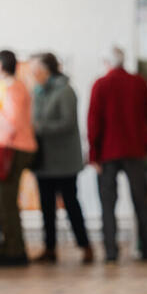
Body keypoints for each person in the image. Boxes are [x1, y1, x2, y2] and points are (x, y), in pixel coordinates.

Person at [87, 46, 147, 262]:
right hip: (135, 150)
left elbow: (93, 123)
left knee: (108, 204)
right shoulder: (139, 83)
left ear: (106, 62)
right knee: (141, 201)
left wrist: (93, 155)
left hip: (108, 153)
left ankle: (111, 251)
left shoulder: (101, 84)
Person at [31, 53, 93, 264]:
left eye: (36, 70)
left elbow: (67, 123)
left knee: (71, 204)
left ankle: (85, 246)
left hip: (65, 162)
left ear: (46, 71)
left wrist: (40, 128)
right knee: (46, 208)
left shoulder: (65, 91)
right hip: (44, 161)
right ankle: (49, 248)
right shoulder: (37, 92)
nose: (33, 74)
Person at [0, 50, 37, 266]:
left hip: (13, 149)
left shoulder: (13, 88)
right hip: (14, 148)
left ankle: (15, 251)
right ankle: (11, 246)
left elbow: (11, 122)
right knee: (5, 200)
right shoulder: (15, 86)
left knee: (6, 201)